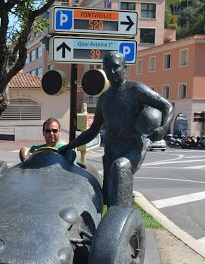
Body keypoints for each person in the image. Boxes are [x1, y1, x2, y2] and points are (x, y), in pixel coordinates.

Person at [58, 51, 173, 206]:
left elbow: (166, 106)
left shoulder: (136, 89)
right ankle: (116, 223)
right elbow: (93, 131)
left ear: (124, 68)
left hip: (132, 149)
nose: (112, 71)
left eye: (116, 67)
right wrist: (68, 146)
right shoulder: (104, 98)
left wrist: (163, 128)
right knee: (109, 197)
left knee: (121, 172)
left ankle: (124, 222)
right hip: (112, 150)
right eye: (108, 67)